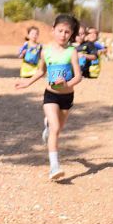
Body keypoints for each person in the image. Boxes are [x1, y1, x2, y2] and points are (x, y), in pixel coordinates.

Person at [14, 14, 83, 182]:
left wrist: (66, 83)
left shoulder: (72, 52)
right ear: (53, 30)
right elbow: (41, 71)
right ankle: (54, 167)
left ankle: (47, 125)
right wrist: (27, 83)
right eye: (60, 31)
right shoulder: (46, 51)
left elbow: (79, 77)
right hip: (50, 95)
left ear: (71, 34)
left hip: (67, 97)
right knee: (56, 128)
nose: (63, 35)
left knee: (56, 129)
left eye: (67, 32)